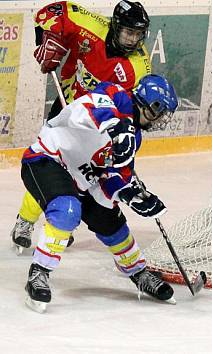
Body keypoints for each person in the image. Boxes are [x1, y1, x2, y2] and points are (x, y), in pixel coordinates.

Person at [21, 74, 179, 313]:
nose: (159, 120)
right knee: (67, 210)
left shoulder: (135, 136)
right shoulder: (114, 95)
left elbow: (114, 175)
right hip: (48, 160)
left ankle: (138, 272)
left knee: (112, 224)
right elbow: (80, 112)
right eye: (159, 113)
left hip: (85, 179)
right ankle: (39, 272)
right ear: (150, 104)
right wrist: (118, 126)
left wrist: (129, 194)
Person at [11, 0, 152, 252]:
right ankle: (25, 220)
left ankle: (60, 222)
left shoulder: (138, 66)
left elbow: (133, 110)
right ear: (115, 26)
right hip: (68, 107)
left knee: (79, 175)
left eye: (138, 34)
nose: (133, 40)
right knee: (53, 165)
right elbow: (48, 14)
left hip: (96, 126)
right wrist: (46, 39)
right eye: (128, 32)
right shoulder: (90, 25)